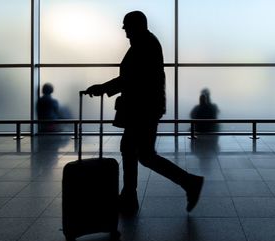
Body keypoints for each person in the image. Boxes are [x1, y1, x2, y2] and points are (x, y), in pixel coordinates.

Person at [85, 11, 204, 215]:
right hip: (145, 108)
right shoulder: (147, 42)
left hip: (142, 109)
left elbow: (131, 78)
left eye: (126, 25)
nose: (124, 30)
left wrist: (103, 88)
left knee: (139, 153)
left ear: (136, 25)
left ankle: (138, 194)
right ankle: (132, 195)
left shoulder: (143, 45)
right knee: (138, 152)